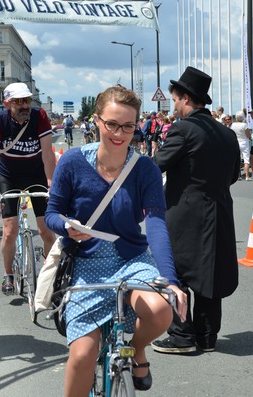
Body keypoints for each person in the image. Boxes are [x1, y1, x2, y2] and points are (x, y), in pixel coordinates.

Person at [45, 85, 186, 396]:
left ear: (137, 125)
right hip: (84, 264)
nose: (119, 133)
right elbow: (51, 213)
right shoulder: (71, 162)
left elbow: (157, 223)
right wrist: (67, 226)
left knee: (162, 308)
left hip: (131, 259)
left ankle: (136, 349)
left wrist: (170, 281)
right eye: (112, 124)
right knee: (82, 356)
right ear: (97, 121)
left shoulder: (144, 168)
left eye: (128, 126)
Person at [151, 66, 240, 354]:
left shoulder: (183, 129)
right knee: (208, 273)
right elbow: (234, 175)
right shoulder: (226, 133)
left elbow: (157, 167)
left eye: (175, 100)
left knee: (174, 270)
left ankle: (181, 336)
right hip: (220, 210)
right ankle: (206, 335)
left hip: (185, 212)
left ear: (186, 98)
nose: (174, 106)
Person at [0, 82, 56, 294]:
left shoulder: (40, 116)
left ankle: (48, 273)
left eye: (26, 100)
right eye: (18, 101)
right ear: (7, 103)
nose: (24, 105)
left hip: (36, 174)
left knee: (46, 231)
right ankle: (8, 274)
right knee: (9, 231)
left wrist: (51, 184)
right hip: (9, 176)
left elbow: (47, 154)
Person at [231, 111, 252, 180]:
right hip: (244, 142)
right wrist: (250, 137)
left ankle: (238, 175)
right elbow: (248, 134)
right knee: (246, 159)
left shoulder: (233, 125)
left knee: (238, 159)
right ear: (243, 117)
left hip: (236, 142)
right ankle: (247, 176)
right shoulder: (244, 125)